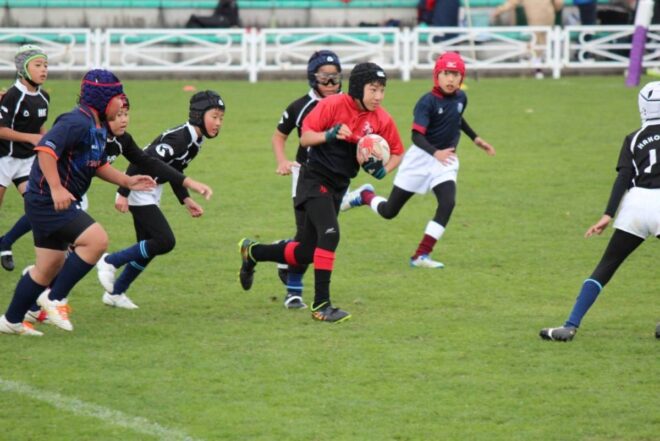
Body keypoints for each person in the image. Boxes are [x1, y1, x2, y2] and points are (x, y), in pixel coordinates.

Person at [238, 62, 404, 323]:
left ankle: (253, 252)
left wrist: (384, 171)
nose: (379, 96)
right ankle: (321, 305)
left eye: (382, 90)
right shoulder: (332, 105)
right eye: (373, 90)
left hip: (338, 185)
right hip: (313, 178)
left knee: (306, 252)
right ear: (358, 87)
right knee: (330, 233)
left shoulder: (381, 118)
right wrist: (330, 134)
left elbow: (397, 151)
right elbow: (305, 138)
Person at [0, 69, 156, 336]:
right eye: (118, 98)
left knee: (48, 267)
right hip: (47, 200)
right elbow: (46, 150)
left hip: (53, 201)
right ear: (103, 99)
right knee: (96, 241)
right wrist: (56, 188)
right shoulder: (76, 121)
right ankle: (54, 298)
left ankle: (11, 321)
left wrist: (127, 181)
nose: (121, 103)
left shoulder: (97, 126)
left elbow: (97, 164)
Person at [341, 52, 495, 269]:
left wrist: (476, 138)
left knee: (448, 203)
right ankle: (364, 196)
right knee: (389, 211)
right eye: (446, 73)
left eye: (455, 74)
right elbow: (416, 136)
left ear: (462, 77)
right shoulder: (427, 102)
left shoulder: (461, 98)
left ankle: (421, 255)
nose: (451, 79)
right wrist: (435, 153)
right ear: (437, 75)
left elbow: (457, 118)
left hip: (445, 161)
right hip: (420, 159)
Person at [540, 81, 660, 342]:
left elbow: (623, 178)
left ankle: (570, 325)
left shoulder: (633, 138)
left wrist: (608, 214)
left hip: (637, 204)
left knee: (607, 265)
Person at [95, 91, 221, 309]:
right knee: (164, 241)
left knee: (148, 248)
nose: (218, 123)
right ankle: (109, 261)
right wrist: (123, 191)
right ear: (198, 115)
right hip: (138, 187)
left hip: (151, 189)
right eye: (214, 117)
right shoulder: (180, 139)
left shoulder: (196, 140)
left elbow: (174, 168)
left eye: (221, 118)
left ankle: (115, 293)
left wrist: (185, 199)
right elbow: (142, 159)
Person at [271, 50, 343, 310]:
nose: (331, 83)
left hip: (335, 177)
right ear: (313, 78)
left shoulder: (346, 103)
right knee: (308, 237)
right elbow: (279, 136)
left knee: (314, 239)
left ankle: (281, 251)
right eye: (325, 78)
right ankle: (294, 291)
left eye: (335, 77)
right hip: (306, 176)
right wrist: (282, 161)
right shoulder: (299, 106)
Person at [0, 45, 49, 272]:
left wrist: (49, 142)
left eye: (46, 65)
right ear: (23, 69)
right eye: (38, 65)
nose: (44, 69)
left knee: (38, 206)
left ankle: (6, 242)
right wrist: (30, 137)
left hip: (26, 162)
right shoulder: (12, 95)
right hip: (4, 159)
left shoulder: (44, 97)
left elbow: (39, 127)